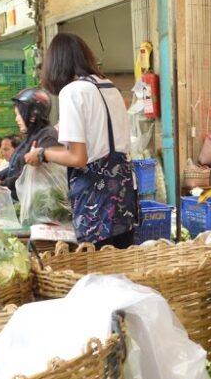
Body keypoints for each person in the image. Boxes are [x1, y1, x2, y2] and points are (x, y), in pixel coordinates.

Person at [24, 32, 138, 249]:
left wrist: (42, 154)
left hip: (96, 200)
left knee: (99, 276)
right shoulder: (109, 86)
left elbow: (78, 157)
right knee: (122, 270)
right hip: (124, 195)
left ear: (56, 64)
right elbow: (102, 131)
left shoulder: (73, 91)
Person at [0, 88, 59, 199]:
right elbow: (14, 167)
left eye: (19, 114)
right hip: (20, 199)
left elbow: (30, 174)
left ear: (33, 115)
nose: (16, 119)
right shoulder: (31, 136)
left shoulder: (48, 137)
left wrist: (3, 184)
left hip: (38, 205)